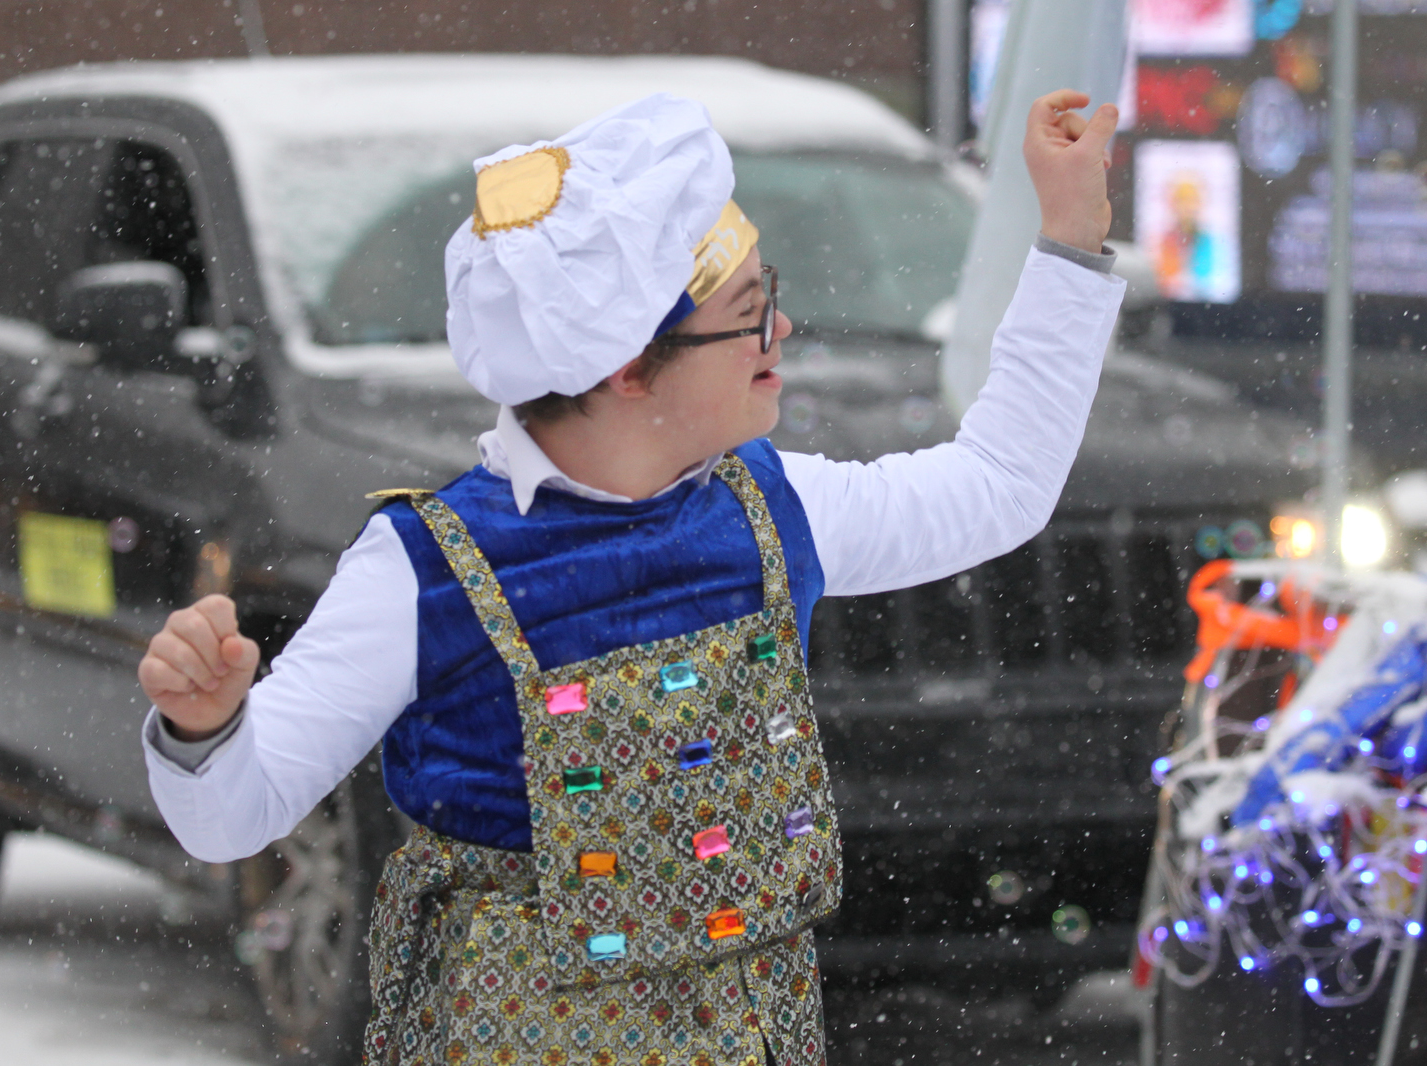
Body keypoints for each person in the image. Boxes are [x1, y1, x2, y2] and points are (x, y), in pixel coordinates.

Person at [138, 88, 1125, 1066]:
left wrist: (1070, 235)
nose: (783, 334)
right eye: (751, 313)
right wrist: (206, 727)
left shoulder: (770, 514)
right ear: (623, 367)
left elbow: (998, 486)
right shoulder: (424, 571)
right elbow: (233, 818)